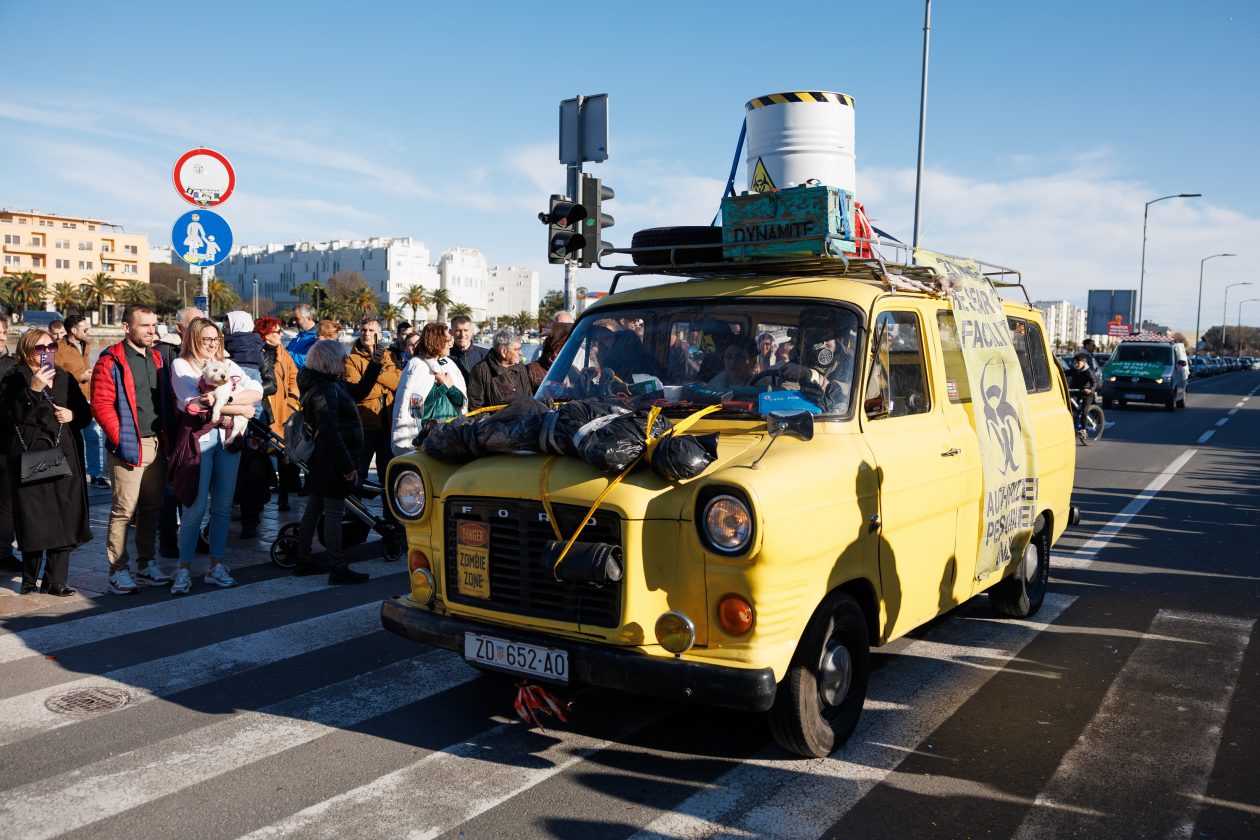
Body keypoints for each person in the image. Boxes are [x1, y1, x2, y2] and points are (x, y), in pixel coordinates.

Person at [167, 317, 263, 595]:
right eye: (206, 338)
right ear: (193, 338)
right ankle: (184, 570)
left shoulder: (229, 364)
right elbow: (193, 407)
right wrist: (241, 410)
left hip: (227, 440)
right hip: (198, 440)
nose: (211, 344)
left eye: (216, 339)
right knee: (194, 508)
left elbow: (256, 391)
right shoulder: (181, 366)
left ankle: (216, 566)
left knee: (222, 507)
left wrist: (229, 402)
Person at [1, 328, 92, 595]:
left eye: (50, 347)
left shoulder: (64, 377)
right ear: (26, 351)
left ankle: (56, 581)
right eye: (39, 349)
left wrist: (72, 414)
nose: (45, 354)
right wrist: (33, 390)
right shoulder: (14, 377)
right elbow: (8, 416)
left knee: (65, 513)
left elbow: (85, 415)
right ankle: (29, 579)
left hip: (63, 452)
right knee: (34, 516)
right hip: (29, 452)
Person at [89, 305, 173, 593]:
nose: (152, 331)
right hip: (129, 445)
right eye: (145, 326)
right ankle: (118, 569)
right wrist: (121, 439)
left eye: (154, 325)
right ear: (126, 328)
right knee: (124, 510)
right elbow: (100, 405)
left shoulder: (158, 358)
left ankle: (146, 565)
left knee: (152, 508)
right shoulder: (110, 360)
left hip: (157, 444)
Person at [294, 340, 369, 584]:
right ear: (329, 360)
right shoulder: (326, 388)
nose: (345, 361)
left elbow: (359, 392)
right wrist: (348, 467)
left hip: (322, 460)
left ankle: (303, 559)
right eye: (341, 358)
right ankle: (338, 567)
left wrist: (375, 366)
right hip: (332, 462)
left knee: (314, 510)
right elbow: (331, 432)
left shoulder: (324, 383)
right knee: (334, 514)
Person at [154, 306, 205, 559]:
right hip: (171, 429)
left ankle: (192, 536)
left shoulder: (204, 351)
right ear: (180, 328)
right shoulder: (165, 351)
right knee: (171, 487)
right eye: (195, 323)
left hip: (197, 429)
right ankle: (168, 539)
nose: (200, 328)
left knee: (192, 483)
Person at [223, 311, 276, 539]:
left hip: (242, 412)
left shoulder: (228, 350)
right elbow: (271, 384)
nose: (224, 328)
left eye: (227, 324)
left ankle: (244, 514)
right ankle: (246, 514)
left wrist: (243, 394)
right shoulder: (257, 349)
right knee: (246, 463)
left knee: (243, 464)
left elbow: (270, 384)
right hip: (248, 413)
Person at [343, 317, 403, 489]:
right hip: (365, 424)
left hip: (388, 424)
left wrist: (374, 375)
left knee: (388, 473)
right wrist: (384, 384)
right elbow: (360, 392)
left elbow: (398, 384)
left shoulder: (390, 356)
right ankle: (355, 511)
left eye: (371, 330)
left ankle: (390, 514)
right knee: (358, 472)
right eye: (363, 330)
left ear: (379, 334)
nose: (366, 334)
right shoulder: (352, 360)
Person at [391, 323, 467, 456]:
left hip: (452, 434)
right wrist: (443, 387)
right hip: (429, 438)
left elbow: (461, 402)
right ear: (436, 341)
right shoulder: (417, 365)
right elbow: (416, 408)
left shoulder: (449, 364)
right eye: (447, 340)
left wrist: (448, 387)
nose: (451, 344)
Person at [54, 314, 106, 488]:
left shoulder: (86, 345)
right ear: (74, 330)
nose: (88, 332)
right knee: (72, 441)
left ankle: (96, 475)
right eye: (85, 329)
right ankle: (72, 474)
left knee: (94, 438)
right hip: (69, 402)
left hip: (89, 398)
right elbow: (56, 375)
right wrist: (80, 376)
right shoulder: (59, 348)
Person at [256, 315, 300, 511]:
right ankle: (256, 499)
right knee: (260, 456)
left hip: (285, 411)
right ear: (265, 334)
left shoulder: (283, 352)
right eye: (276, 331)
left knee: (284, 455)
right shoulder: (256, 353)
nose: (281, 334)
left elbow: (293, 376)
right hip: (265, 410)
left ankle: (283, 497)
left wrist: (292, 400)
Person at [466, 329, 531, 410]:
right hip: (494, 422)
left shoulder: (521, 368)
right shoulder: (481, 370)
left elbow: (529, 398)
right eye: (516, 349)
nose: (521, 353)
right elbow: (475, 408)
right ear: (504, 351)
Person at [0, 316, 17, 573]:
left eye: (4, 331)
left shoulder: (14, 366)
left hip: (7, 443)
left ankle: (3, 552)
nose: (3, 337)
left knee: (6, 502)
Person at [526, 322, 572, 390]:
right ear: (556, 353)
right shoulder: (531, 371)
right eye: (570, 350)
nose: (572, 355)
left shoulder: (572, 371)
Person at [1066, 351, 1099, 436]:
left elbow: (1094, 382)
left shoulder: (1088, 371)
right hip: (1076, 391)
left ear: (1083, 363)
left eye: (1078, 363)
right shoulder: (1073, 370)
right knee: (1071, 409)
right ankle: (1073, 427)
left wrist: (1090, 390)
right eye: (1074, 363)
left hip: (1087, 394)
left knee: (1084, 411)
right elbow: (1063, 374)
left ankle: (1083, 430)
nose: (1076, 364)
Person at [449, 315, 487, 382]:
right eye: (458, 330)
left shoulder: (485, 355)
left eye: (466, 330)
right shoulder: (446, 357)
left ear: (472, 331)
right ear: (451, 332)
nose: (462, 334)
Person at [287, 303, 319, 369]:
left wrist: (285, 356)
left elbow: (307, 362)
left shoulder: (318, 337)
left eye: (297, 318)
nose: (294, 322)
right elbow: (286, 351)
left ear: (309, 318)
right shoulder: (299, 336)